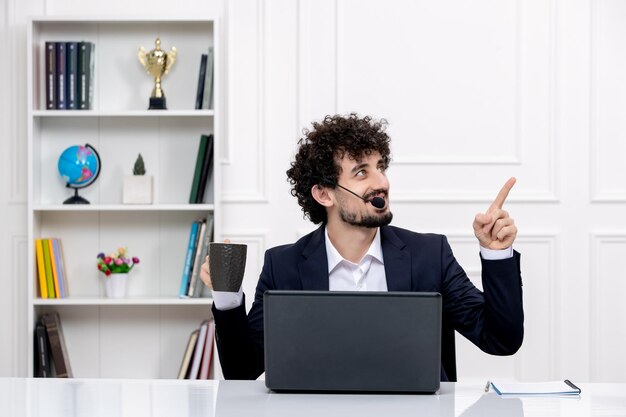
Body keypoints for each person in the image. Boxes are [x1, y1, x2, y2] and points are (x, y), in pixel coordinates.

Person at [200, 113, 524, 381]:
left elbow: (500, 339)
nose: (381, 181)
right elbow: (243, 371)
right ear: (324, 195)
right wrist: (227, 296)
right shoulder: (283, 266)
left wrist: (496, 253)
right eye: (361, 172)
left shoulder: (430, 255)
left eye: (380, 167)